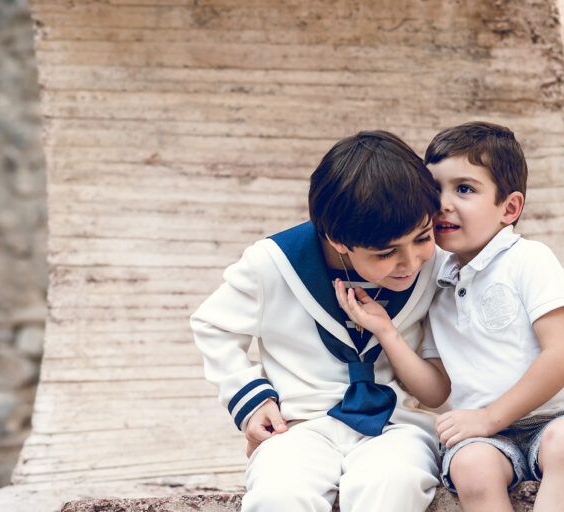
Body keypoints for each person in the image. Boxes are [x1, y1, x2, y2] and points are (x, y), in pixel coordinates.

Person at [337, 121, 564, 512]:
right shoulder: (438, 281)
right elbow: (436, 390)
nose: (443, 204)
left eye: (464, 189)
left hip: (554, 417)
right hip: (483, 439)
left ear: (510, 208)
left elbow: (563, 356)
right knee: (470, 466)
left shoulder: (528, 260)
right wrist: (387, 331)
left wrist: (489, 417)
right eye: (435, 190)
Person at [191, 130, 449, 512]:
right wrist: (250, 399)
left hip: (398, 426)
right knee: (279, 494)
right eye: (386, 253)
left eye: (423, 238)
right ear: (337, 239)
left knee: (394, 484)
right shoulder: (273, 264)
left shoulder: (439, 266)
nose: (411, 262)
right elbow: (214, 325)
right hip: (300, 425)